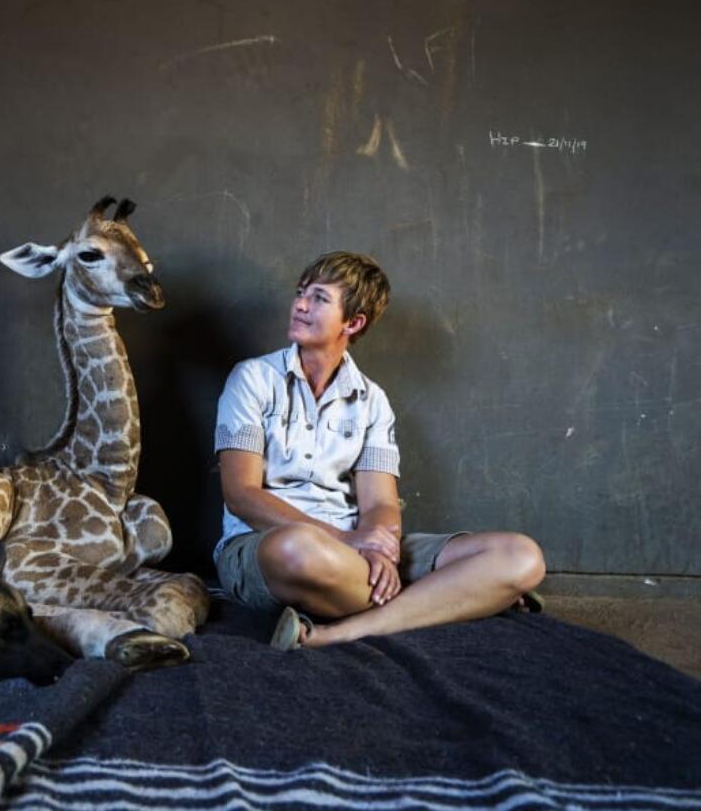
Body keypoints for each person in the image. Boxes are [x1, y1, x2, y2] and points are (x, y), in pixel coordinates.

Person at [213, 251, 545, 649]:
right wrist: (347, 541)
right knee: (297, 547)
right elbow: (241, 495)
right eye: (301, 293)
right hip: (268, 548)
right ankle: (457, 597)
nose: (300, 304)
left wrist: (381, 548)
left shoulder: (373, 401)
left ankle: (337, 632)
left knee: (520, 556)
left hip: (357, 551)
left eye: (319, 298)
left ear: (353, 323)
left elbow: (380, 505)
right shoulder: (252, 379)